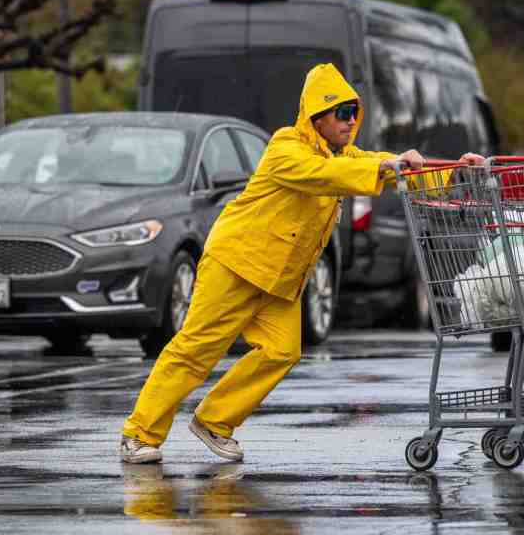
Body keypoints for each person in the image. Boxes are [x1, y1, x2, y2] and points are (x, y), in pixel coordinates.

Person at [120, 62, 484, 464]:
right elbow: (326, 174)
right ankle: (139, 434)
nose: (349, 122)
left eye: (353, 113)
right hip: (237, 264)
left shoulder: (344, 154)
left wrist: (451, 171)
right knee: (195, 350)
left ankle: (214, 421)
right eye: (341, 114)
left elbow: (384, 168)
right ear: (317, 117)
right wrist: (382, 166)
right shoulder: (286, 148)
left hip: (280, 276)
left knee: (281, 351)